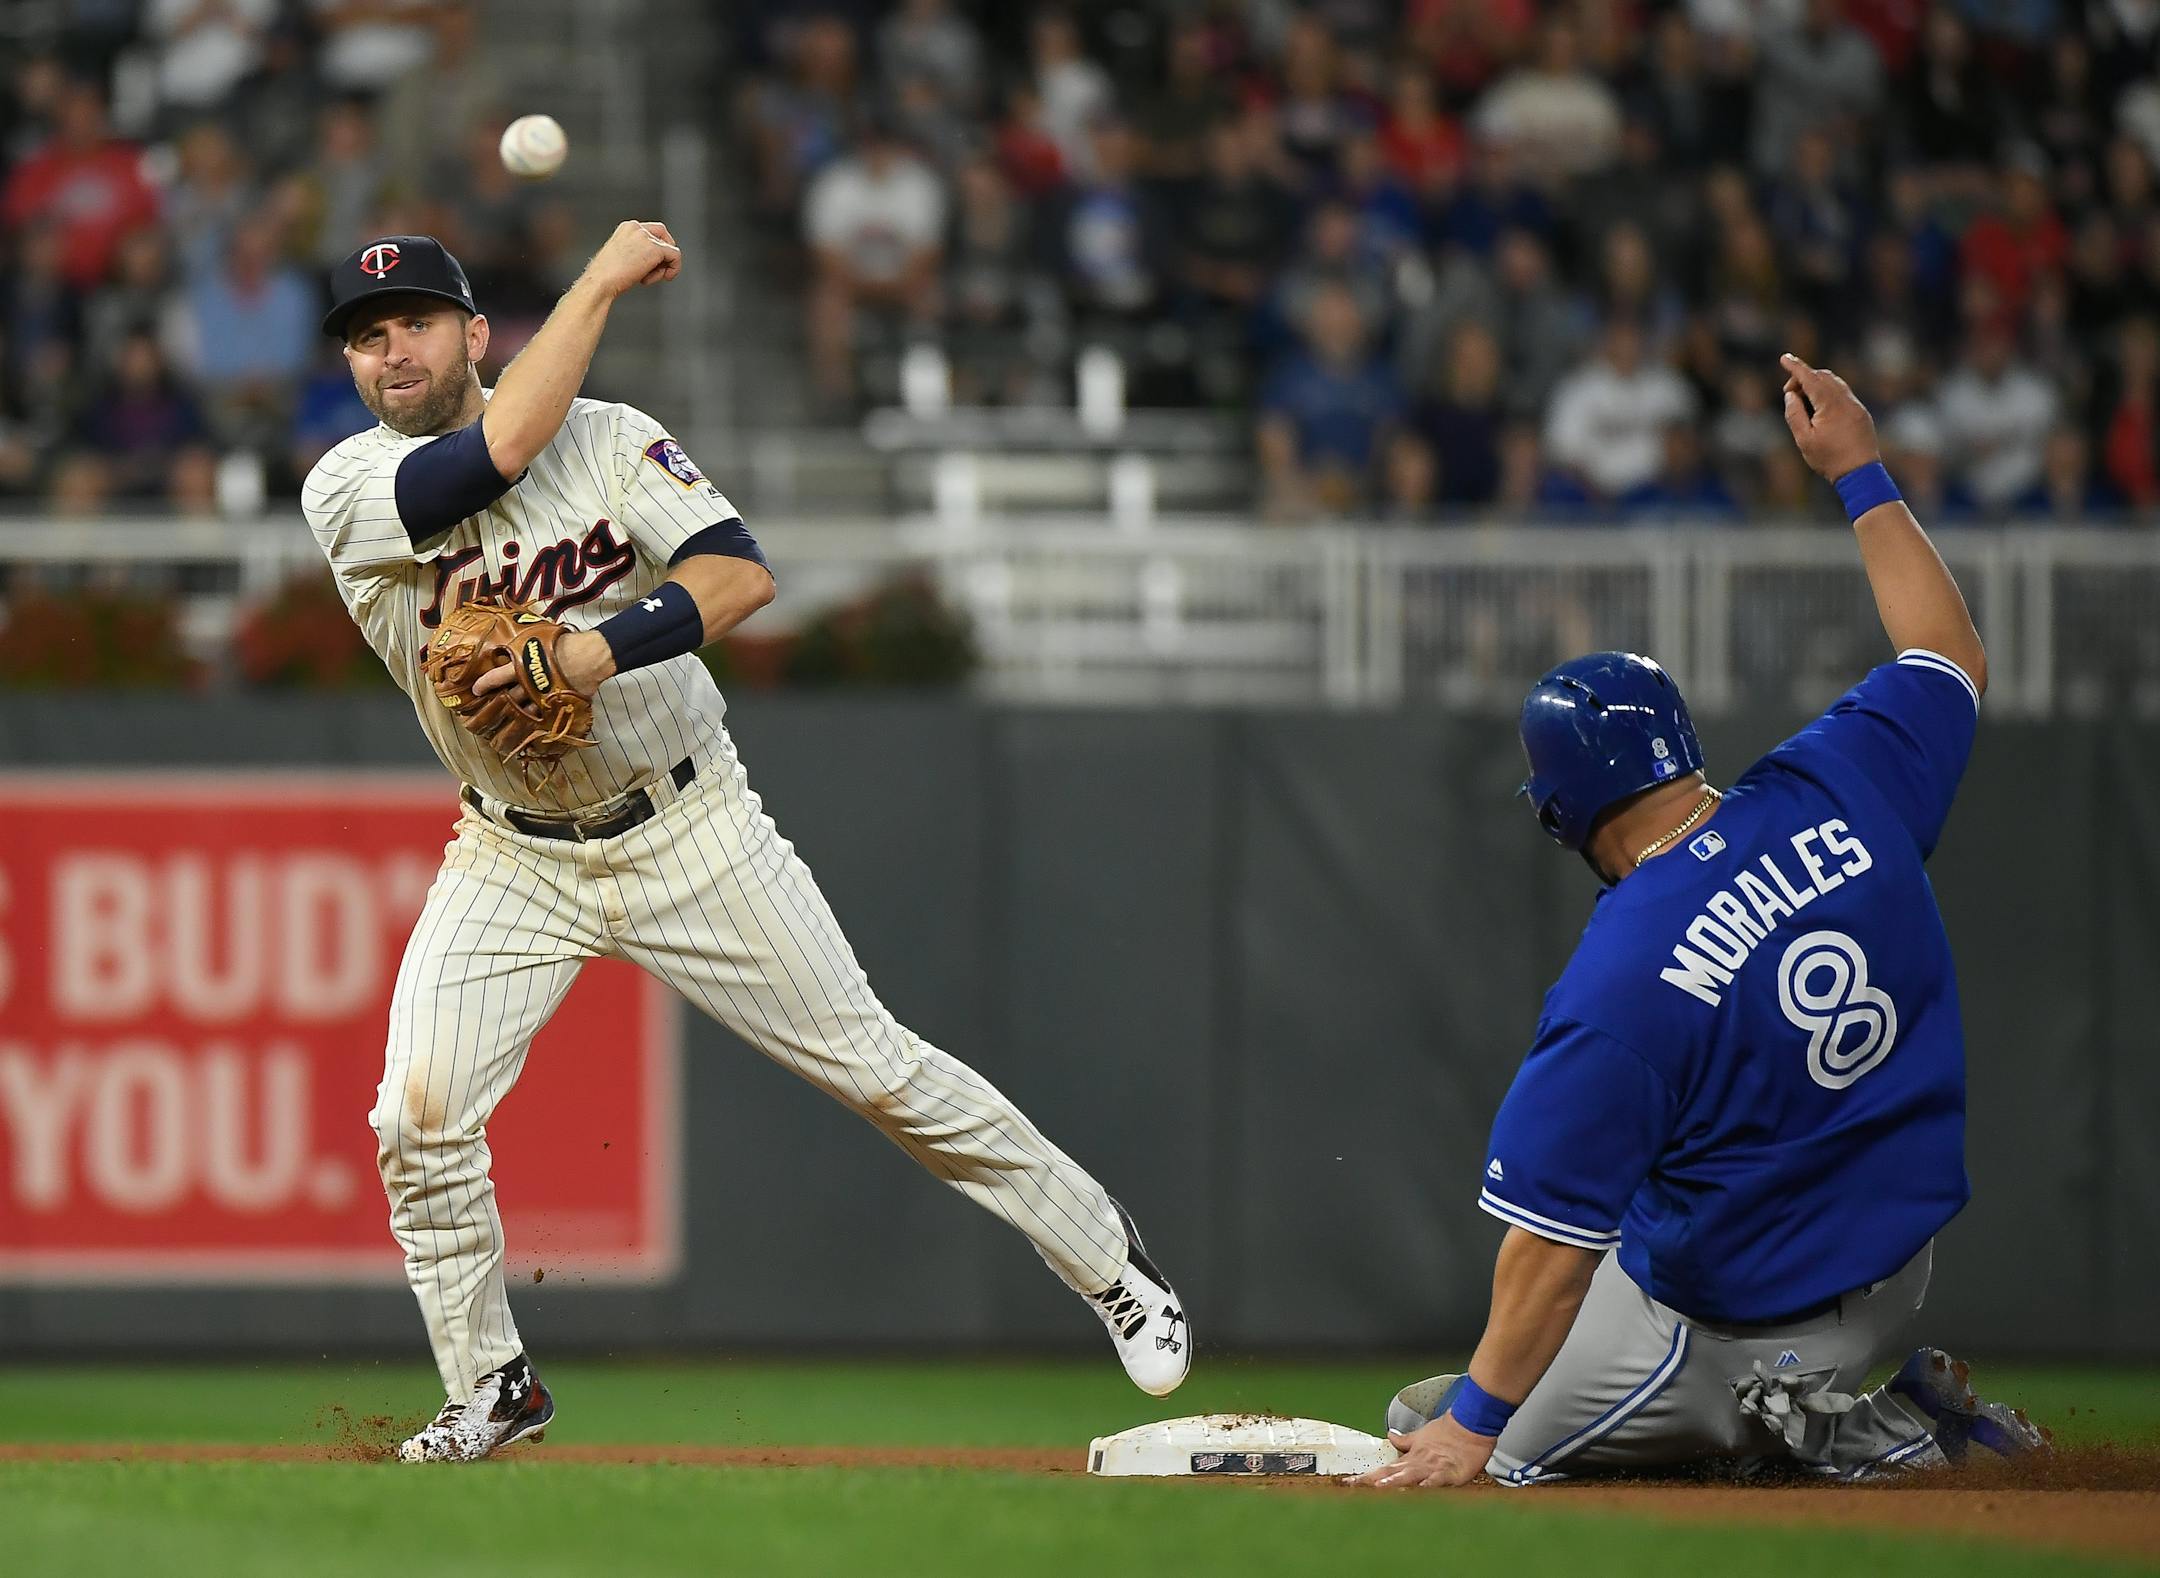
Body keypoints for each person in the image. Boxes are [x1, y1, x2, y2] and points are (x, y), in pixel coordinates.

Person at [300, 226, 1190, 1463]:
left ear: (472, 333)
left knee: (878, 1071)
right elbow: (492, 457)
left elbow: (738, 575)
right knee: (417, 1115)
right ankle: (491, 1385)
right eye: (365, 335)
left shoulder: (611, 441)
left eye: (414, 323)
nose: (391, 351)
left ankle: (1112, 1263)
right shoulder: (345, 487)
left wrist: (595, 649)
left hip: (689, 824)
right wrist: (601, 276)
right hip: (514, 854)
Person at [1359, 354, 2045, 1489]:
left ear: (1565, 815)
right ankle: (1798, 1398)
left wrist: (1476, 1427)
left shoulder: (1620, 978)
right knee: (1534, 1338)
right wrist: (1861, 471)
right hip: (1899, 1260)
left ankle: (1841, 1427)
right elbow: (1948, 655)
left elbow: (1546, 1247)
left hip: (1754, 1312)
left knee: (1456, 1426)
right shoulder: (1841, 779)